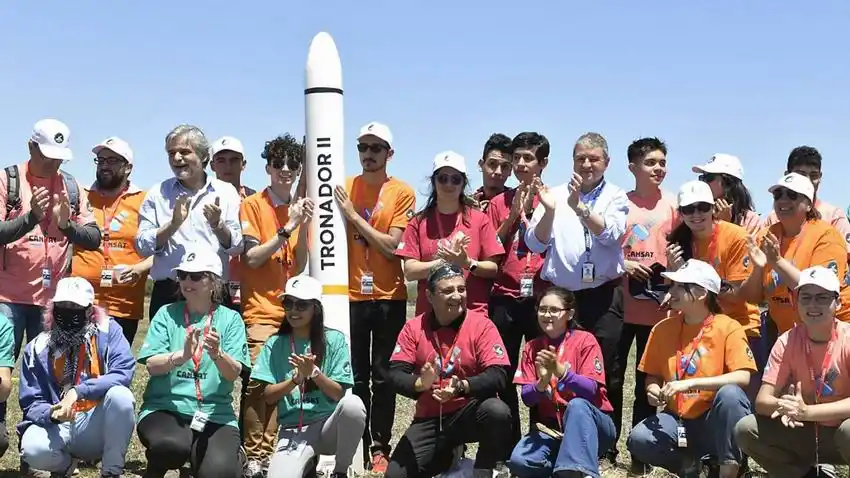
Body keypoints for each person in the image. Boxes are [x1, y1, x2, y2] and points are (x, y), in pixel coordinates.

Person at [525, 132, 629, 462]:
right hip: (561, 296)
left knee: (606, 369)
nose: (586, 164)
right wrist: (551, 211)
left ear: (606, 163)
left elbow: (612, 235)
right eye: (580, 158)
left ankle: (603, 443)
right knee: (547, 364)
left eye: (593, 158)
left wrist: (580, 209)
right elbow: (534, 243)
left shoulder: (615, 196)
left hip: (602, 295)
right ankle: (544, 437)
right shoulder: (553, 195)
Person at [332, 122, 415, 471]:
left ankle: (380, 446)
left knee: (383, 376)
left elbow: (392, 245)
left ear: (388, 154)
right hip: (350, 297)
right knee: (355, 376)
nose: (368, 153)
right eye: (363, 147)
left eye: (376, 148)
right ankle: (357, 444)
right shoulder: (344, 185)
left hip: (388, 297)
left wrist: (353, 216)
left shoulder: (402, 192)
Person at [627, 259, 755, 478]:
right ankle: (693, 468)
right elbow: (653, 376)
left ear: (702, 293)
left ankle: (730, 468)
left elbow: (743, 377)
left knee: (731, 395)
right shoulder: (662, 329)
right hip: (677, 419)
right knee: (639, 440)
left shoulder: (728, 327)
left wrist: (690, 383)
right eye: (673, 285)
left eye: (680, 286)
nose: (672, 291)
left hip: (713, 420)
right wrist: (652, 391)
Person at [385, 263, 512, 478]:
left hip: (469, 411)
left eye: (461, 289)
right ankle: (450, 454)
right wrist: (420, 383)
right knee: (395, 475)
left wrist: (462, 386)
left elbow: (498, 375)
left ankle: (484, 470)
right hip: (431, 416)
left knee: (497, 411)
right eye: (448, 290)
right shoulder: (413, 327)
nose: (457, 296)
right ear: (429, 296)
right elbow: (395, 374)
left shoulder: (482, 325)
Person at [136, 247, 250, 478]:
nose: (187, 281)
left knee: (218, 473)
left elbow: (233, 374)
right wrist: (181, 356)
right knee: (171, 447)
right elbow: (152, 366)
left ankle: (226, 459)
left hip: (215, 414)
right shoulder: (166, 313)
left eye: (196, 276)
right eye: (182, 275)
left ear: (214, 282)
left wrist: (218, 354)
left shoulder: (231, 319)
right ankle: (159, 466)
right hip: (166, 409)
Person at [239, 134, 312, 476]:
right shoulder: (253, 205)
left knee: (283, 384)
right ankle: (255, 454)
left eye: (292, 164)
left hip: (291, 312)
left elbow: (298, 265)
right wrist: (288, 227)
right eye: (278, 163)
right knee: (259, 383)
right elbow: (252, 258)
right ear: (267, 167)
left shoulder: (299, 207)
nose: (285, 169)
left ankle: (271, 453)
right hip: (260, 311)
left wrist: (303, 225)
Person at [0, 118, 100, 360]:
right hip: (6, 299)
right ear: (30, 147)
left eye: (59, 158)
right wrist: (31, 218)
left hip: (52, 301)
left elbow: (94, 238)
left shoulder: (71, 186)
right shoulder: (7, 180)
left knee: (47, 370)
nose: (53, 164)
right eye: (47, 156)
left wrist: (67, 226)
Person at [736, 266, 850, 477]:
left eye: (822, 297)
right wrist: (787, 406)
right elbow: (762, 401)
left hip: (840, 431)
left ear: (838, 302)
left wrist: (807, 411)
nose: (813, 305)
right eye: (805, 297)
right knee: (747, 429)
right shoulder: (786, 341)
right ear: (795, 302)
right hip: (802, 429)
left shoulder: (848, 338)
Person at [18, 277, 136, 477]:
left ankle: (111, 471)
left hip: (96, 421)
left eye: (75, 306)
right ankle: (64, 466)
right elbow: (31, 401)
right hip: (59, 425)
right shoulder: (38, 346)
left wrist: (78, 391)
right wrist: (51, 413)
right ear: (53, 308)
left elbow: (123, 371)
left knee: (121, 396)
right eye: (62, 305)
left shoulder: (108, 331)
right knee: (32, 450)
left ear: (90, 309)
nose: (67, 311)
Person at [252, 275, 366, 478]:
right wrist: (295, 380)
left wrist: (314, 373)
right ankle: (307, 467)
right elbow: (268, 397)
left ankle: (340, 471)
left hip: (328, 427)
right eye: (288, 303)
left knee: (353, 405)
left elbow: (338, 394)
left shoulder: (334, 339)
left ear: (316, 308)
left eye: (301, 305)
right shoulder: (274, 343)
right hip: (293, 430)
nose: (293, 311)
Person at [614, 137, 678, 471]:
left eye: (662, 162)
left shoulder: (674, 205)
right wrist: (623, 264)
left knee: (647, 384)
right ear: (632, 167)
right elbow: (603, 246)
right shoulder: (618, 203)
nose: (658, 168)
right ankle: (607, 449)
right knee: (613, 379)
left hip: (658, 309)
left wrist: (674, 283)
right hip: (621, 307)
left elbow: (685, 251)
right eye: (650, 162)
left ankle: (641, 456)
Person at [136, 124, 244, 320]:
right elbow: (142, 246)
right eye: (171, 153)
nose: (177, 158)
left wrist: (218, 226)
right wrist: (173, 225)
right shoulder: (157, 193)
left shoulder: (226, 192)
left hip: (213, 291)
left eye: (184, 152)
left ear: (203, 156)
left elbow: (237, 247)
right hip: (169, 293)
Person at [508, 287, 615, 478]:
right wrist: (542, 382)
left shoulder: (585, 340)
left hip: (592, 425)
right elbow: (527, 399)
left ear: (570, 314)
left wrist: (562, 372)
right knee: (520, 462)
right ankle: (568, 465)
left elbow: (591, 390)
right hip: (552, 429)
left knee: (577, 405)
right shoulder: (532, 347)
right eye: (542, 309)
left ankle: (573, 471)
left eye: (554, 310)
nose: (547, 315)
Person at [486, 131, 550, 452]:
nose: (521, 164)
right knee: (504, 372)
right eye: (517, 158)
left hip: (541, 299)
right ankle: (509, 442)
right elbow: (489, 247)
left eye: (528, 158)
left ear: (543, 163)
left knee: (541, 371)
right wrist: (513, 215)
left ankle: (541, 441)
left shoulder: (554, 200)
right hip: (504, 297)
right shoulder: (498, 202)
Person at [741, 173, 850, 346]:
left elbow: (817, 291)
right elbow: (752, 298)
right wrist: (758, 270)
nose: (783, 200)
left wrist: (777, 262)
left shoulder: (826, 236)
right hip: (792, 337)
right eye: (778, 195)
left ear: (808, 204)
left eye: (792, 195)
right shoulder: (766, 236)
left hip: (834, 333)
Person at [666, 180, 762, 368]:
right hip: (696, 326)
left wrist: (690, 275)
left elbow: (738, 295)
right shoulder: (678, 242)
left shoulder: (736, 236)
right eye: (688, 209)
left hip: (738, 325)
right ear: (681, 213)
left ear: (712, 208)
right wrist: (675, 273)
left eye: (702, 207)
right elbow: (674, 295)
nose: (696, 214)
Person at [395, 151, 504, 316]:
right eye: (443, 178)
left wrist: (467, 262)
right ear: (433, 181)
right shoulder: (417, 222)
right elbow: (410, 271)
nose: (449, 184)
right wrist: (443, 262)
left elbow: (493, 268)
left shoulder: (480, 220)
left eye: (455, 179)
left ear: (463, 183)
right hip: (430, 316)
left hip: (472, 314)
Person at [72, 137, 151, 345]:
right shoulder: (81, 196)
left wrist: (139, 269)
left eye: (113, 160)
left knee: (115, 364)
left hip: (123, 306)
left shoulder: (145, 200)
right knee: (77, 364)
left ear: (128, 167)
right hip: (80, 302)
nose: (105, 165)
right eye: (101, 160)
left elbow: (160, 248)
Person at [763, 146, 850, 258]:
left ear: (820, 177)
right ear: (787, 175)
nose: (807, 181)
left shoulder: (834, 216)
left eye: (814, 176)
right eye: (801, 175)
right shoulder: (773, 219)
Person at [210, 135, 257, 310]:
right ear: (212, 165)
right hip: (214, 282)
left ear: (243, 164)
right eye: (221, 160)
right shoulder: (202, 198)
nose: (228, 166)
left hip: (249, 283)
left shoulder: (256, 199)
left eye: (234, 160)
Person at [692, 153, 761, 234]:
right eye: (702, 178)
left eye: (709, 177)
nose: (704, 182)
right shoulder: (695, 212)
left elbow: (746, 242)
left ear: (728, 182)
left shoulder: (750, 219)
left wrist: (725, 225)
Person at [471, 133, 513, 212]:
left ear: (510, 171)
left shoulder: (516, 203)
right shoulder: (465, 205)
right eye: (492, 164)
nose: (498, 172)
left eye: (504, 166)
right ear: (481, 164)